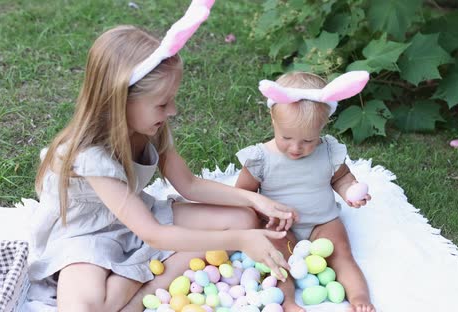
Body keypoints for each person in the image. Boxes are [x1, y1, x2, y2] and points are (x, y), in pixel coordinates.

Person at [27, 2, 297, 311]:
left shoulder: (149, 127)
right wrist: (241, 240)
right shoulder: (90, 156)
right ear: (120, 101)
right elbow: (153, 234)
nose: (172, 111)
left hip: (135, 219)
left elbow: (190, 185)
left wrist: (254, 201)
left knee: (242, 220)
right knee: (84, 307)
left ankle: (144, 290)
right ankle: (141, 284)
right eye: (162, 104)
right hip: (87, 234)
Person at [234, 71, 375, 312]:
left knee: (341, 253)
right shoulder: (261, 158)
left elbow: (340, 178)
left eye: (308, 140)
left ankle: (359, 297)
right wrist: (262, 218)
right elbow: (244, 195)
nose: (296, 148)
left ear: (323, 126)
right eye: (286, 137)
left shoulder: (328, 151)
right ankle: (287, 301)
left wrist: (350, 190)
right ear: (273, 120)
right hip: (281, 227)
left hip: (322, 222)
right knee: (277, 260)